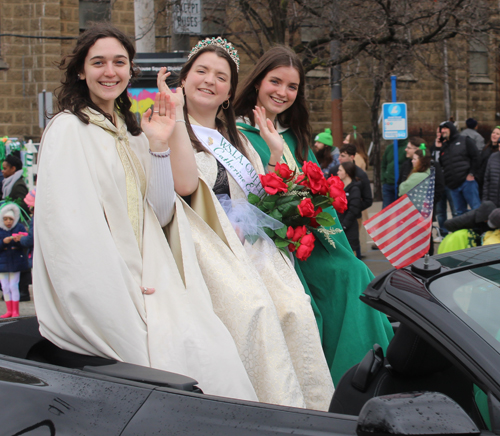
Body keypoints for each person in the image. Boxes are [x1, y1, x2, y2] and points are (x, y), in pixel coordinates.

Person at [33, 24, 257, 401]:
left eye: (119, 62)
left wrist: (157, 146)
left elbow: (162, 210)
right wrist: (120, 284)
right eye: (98, 62)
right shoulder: (68, 129)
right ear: (80, 71)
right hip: (106, 285)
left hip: (153, 275)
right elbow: (68, 230)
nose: (110, 72)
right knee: (155, 376)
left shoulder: (134, 132)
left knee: (213, 354)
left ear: (130, 70)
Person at [158, 37, 333, 410]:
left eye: (221, 76)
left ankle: (311, 410)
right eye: (201, 71)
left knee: (295, 308)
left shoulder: (234, 138)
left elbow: (263, 195)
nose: (210, 81)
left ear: (229, 92)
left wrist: (272, 153)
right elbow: (186, 186)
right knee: (254, 311)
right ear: (184, 79)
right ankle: (265, 411)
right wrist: (175, 115)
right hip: (207, 244)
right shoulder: (171, 127)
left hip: (253, 245)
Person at [233, 45, 393, 385]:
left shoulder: (296, 134)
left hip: (311, 242)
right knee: (341, 283)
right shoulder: (235, 133)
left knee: (354, 272)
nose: (283, 92)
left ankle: (365, 378)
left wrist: (340, 248)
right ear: (258, 81)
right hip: (271, 243)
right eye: (275, 82)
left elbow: (316, 194)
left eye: (292, 87)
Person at [328, 143, 372, 258]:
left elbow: (368, 200)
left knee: (352, 242)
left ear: (352, 157)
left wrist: (353, 207)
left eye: (342, 156)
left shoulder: (360, 176)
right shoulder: (334, 170)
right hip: (336, 216)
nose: (339, 158)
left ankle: (357, 258)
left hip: (353, 217)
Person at [436, 121, 480, 216]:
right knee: (459, 213)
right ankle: (464, 231)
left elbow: (476, 157)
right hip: (453, 186)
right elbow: (440, 164)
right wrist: (438, 148)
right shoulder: (444, 146)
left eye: (445, 128)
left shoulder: (465, 140)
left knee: (476, 209)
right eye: (441, 129)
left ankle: (481, 230)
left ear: (451, 129)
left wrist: (471, 174)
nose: (442, 131)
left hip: (467, 182)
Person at [0, 203, 29, 318]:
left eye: (10, 219)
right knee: (5, 286)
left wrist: (18, 240)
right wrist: (3, 242)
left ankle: (15, 310)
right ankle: (9, 310)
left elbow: (25, 243)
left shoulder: (19, 228)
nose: (8, 222)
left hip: (16, 261)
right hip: (2, 262)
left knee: (13, 285)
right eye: (5, 219)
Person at [337, 162, 362, 254]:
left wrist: (343, 226)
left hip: (349, 229)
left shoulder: (354, 189)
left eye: (340, 170)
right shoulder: (340, 187)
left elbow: (353, 210)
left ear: (347, 173)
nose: (337, 172)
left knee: (351, 255)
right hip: (341, 227)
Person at [381, 141, 407, 208]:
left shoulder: (407, 149)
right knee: (386, 211)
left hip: (402, 185)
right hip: (388, 184)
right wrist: (384, 178)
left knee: (402, 210)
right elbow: (383, 164)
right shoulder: (389, 148)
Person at [477, 126, 500, 196]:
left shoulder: (497, 153)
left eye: (497, 134)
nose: (494, 135)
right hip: (480, 183)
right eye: (493, 133)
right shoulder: (486, 147)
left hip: (491, 187)